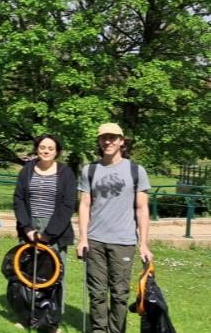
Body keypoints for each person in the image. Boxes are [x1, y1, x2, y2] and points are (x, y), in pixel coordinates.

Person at [77, 123, 153, 333]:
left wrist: (144, 244)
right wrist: (83, 238)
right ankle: (100, 330)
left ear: (121, 141)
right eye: (103, 138)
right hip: (95, 241)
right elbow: (84, 205)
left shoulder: (136, 171)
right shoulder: (90, 170)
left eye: (112, 138)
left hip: (124, 241)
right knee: (97, 292)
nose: (108, 142)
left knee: (120, 293)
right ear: (99, 142)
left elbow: (142, 209)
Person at [13, 134, 77, 332]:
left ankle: (51, 321)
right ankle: (28, 317)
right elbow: (19, 200)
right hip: (30, 230)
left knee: (54, 277)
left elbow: (68, 206)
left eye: (50, 148)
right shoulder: (27, 171)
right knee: (29, 275)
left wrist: (48, 234)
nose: (46, 151)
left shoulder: (66, 174)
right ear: (37, 149)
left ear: (57, 151)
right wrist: (28, 228)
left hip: (56, 232)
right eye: (42, 147)